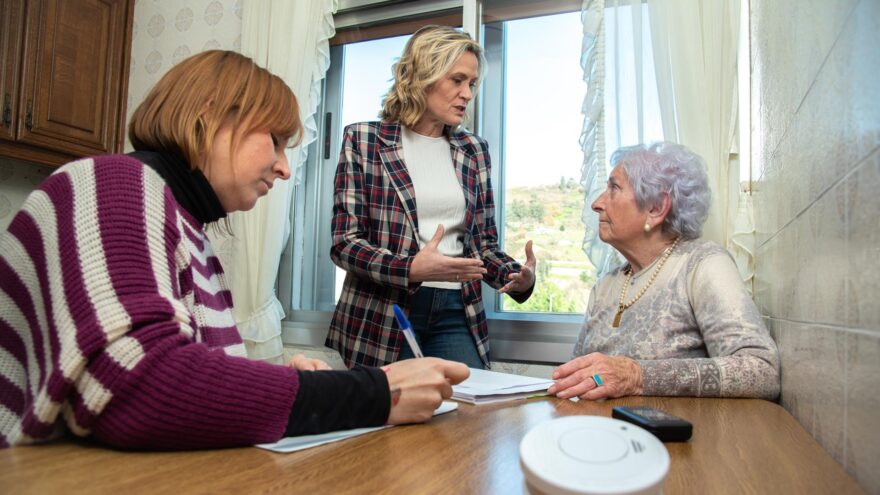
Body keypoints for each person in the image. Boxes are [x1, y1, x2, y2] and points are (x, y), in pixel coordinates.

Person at [0, 50, 469, 450]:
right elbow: (137, 386)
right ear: (211, 116)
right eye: (276, 142)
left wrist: (272, 378)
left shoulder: (186, 228)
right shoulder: (111, 183)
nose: (284, 168)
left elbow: (186, 379)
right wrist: (374, 392)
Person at [327, 26, 536, 370]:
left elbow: (483, 246)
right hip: (384, 312)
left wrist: (517, 278)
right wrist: (409, 268)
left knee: (472, 411)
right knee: (400, 417)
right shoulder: (364, 140)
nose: (467, 94)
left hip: (458, 309)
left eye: (471, 83)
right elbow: (344, 243)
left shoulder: (474, 150)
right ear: (423, 76)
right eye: (457, 80)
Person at [549, 142, 780, 400]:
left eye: (614, 188)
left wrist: (636, 376)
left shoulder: (702, 264)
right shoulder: (604, 287)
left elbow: (761, 370)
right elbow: (574, 381)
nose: (597, 203)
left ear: (656, 208)